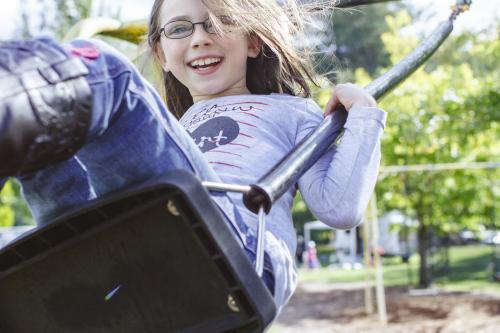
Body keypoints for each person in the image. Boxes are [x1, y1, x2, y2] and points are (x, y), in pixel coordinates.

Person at [0, 0, 386, 314]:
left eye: (218, 22)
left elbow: (339, 208)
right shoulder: (168, 130)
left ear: (253, 43)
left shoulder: (291, 111)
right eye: (180, 29)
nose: (200, 38)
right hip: (133, 264)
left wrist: (363, 115)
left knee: (112, 77)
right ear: (161, 54)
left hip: (240, 253)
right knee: (48, 139)